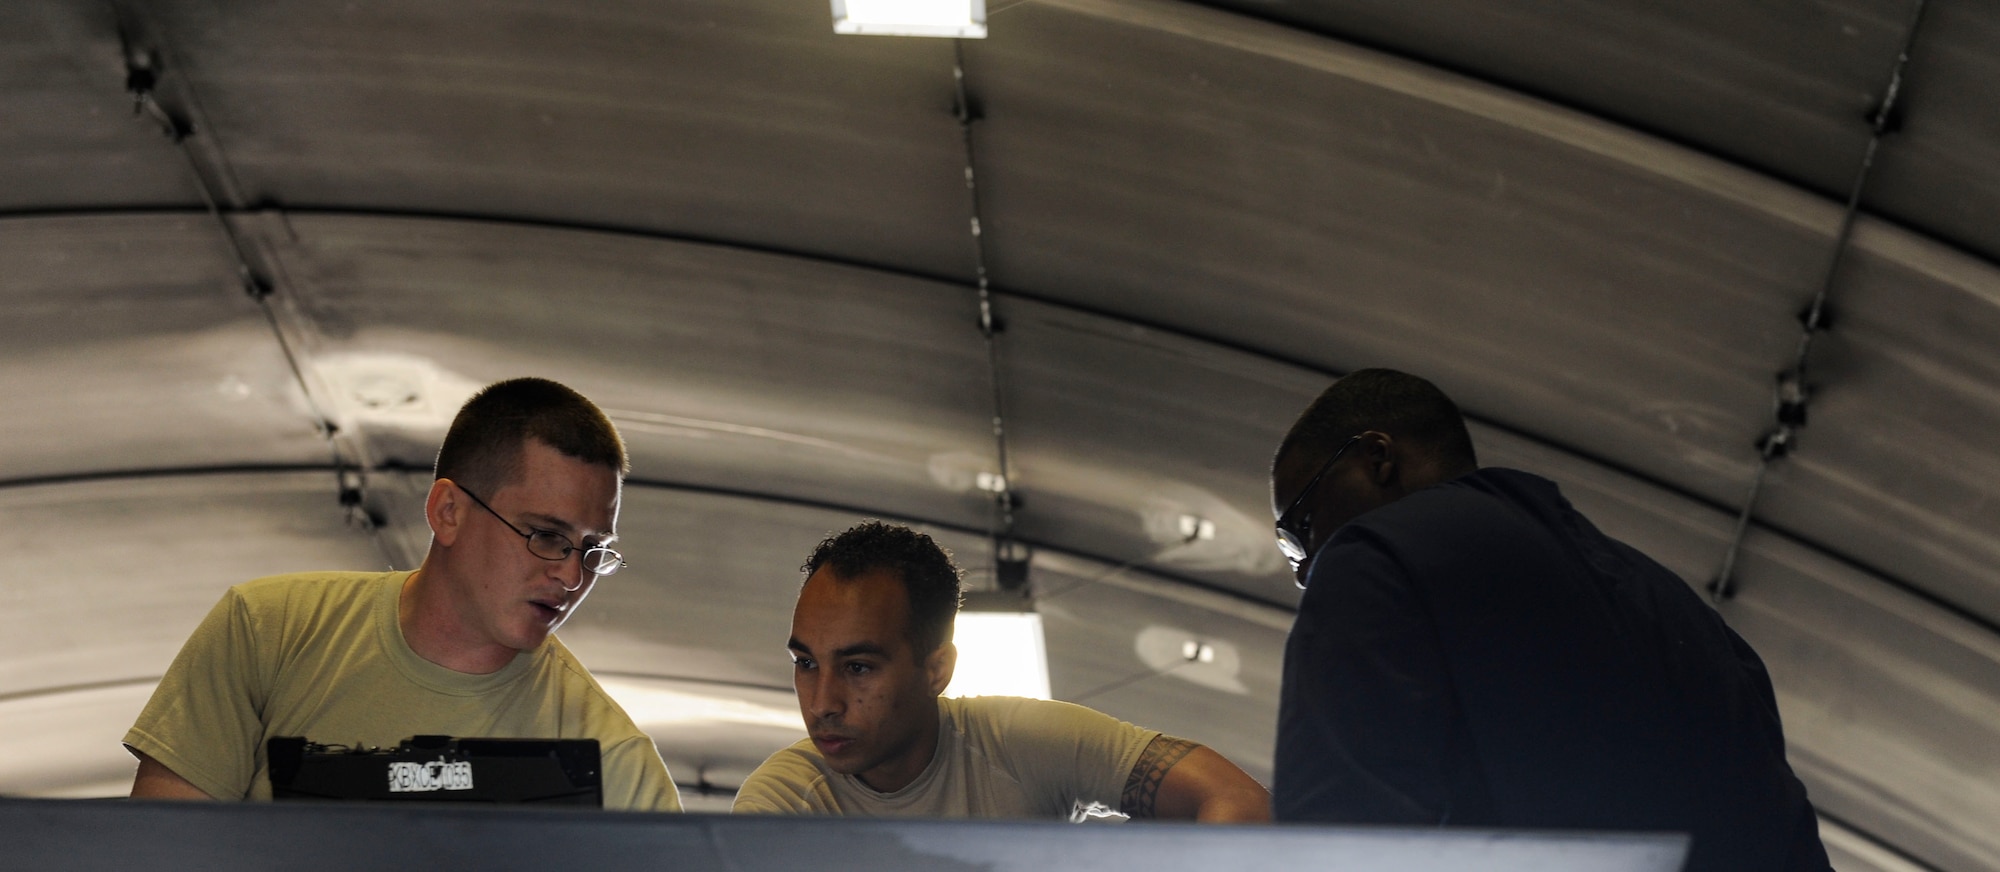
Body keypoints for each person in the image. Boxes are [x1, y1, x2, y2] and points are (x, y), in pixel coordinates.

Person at [1268, 368, 1828, 871]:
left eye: (1300, 528)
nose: (1305, 569)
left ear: (1377, 458)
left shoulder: (1375, 559)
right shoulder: (1686, 613)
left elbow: (1336, 832)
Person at [124, 377, 681, 811]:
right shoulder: (268, 634)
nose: (570, 577)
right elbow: (153, 855)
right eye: (546, 536)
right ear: (449, 512)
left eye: (591, 551)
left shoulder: (616, 764)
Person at [733, 521, 1271, 821]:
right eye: (805, 663)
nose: (822, 701)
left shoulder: (1016, 742)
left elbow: (1240, 801)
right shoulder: (783, 802)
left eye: (857, 666)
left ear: (936, 670)